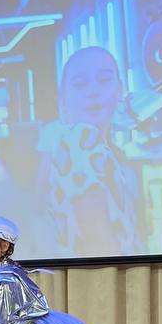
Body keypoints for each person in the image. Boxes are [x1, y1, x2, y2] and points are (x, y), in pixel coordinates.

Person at [37, 46, 141, 256]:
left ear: (119, 90)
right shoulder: (81, 141)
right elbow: (99, 239)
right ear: (62, 98)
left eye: (104, 80)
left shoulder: (101, 147)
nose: (93, 92)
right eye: (80, 84)